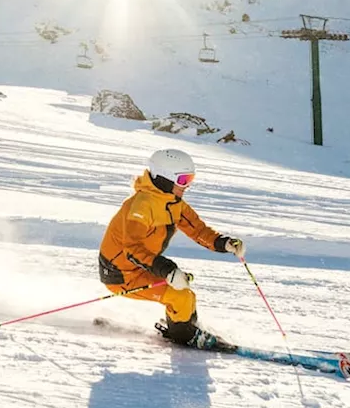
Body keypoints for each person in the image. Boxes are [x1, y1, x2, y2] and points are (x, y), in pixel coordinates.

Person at [97, 148, 244, 348]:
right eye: (183, 180)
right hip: (120, 273)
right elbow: (131, 248)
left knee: (186, 294)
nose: (188, 186)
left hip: (141, 267)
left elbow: (198, 230)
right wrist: (166, 270)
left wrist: (223, 243)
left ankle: (185, 326)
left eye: (190, 179)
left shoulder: (173, 203)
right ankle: (185, 335)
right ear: (165, 179)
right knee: (178, 295)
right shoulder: (142, 206)